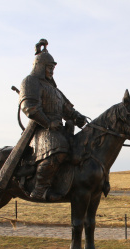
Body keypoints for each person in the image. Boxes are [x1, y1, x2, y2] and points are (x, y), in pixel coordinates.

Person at [19, 39, 87, 201]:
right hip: (41, 129)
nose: (52, 71)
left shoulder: (55, 90)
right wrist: (48, 122)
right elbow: (30, 107)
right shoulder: (30, 81)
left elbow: (66, 109)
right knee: (59, 148)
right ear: (40, 67)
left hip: (58, 128)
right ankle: (40, 188)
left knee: (83, 148)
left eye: (53, 68)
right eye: (49, 68)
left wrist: (77, 117)